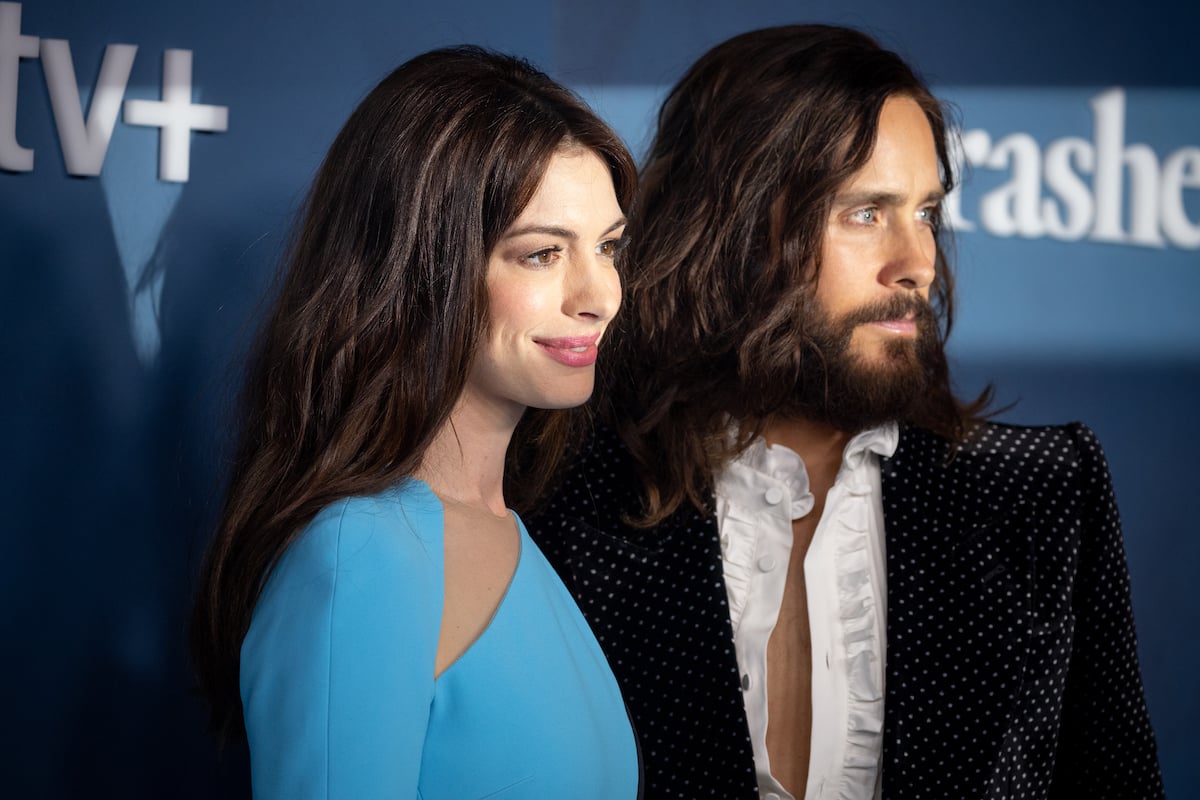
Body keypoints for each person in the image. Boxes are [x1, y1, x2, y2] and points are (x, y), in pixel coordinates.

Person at [529, 24, 1164, 800]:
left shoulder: (1039, 493)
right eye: (867, 213)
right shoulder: (563, 488)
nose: (918, 263)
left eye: (926, 212)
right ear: (736, 224)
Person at [189, 46, 640, 798]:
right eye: (541, 255)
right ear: (424, 266)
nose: (599, 295)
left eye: (608, 247)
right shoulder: (361, 555)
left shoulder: (511, 531)